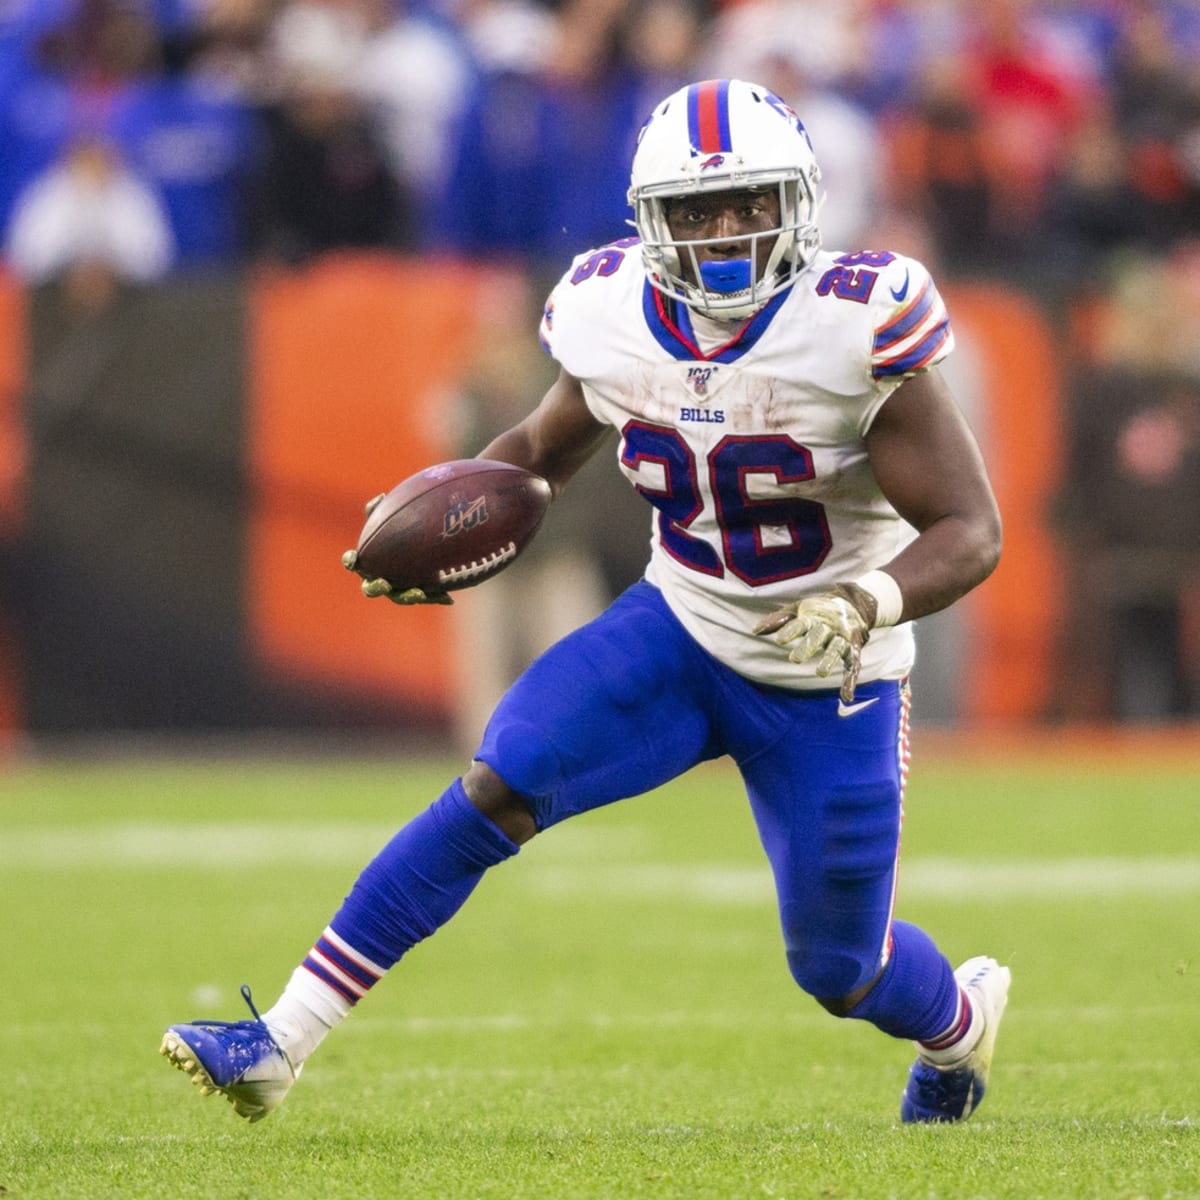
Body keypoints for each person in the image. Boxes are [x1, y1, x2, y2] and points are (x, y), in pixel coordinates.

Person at [160, 78, 1010, 1125]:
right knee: (500, 781)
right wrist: (448, 508)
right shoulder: (612, 316)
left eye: (750, 203)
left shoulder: (854, 324)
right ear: (652, 222)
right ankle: (277, 1041)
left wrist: (868, 602)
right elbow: (535, 455)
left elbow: (973, 531)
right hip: (684, 625)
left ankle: (958, 1028)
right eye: (699, 211)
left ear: (803, 202)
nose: (728, 232)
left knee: (839, 969)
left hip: (828, 674)